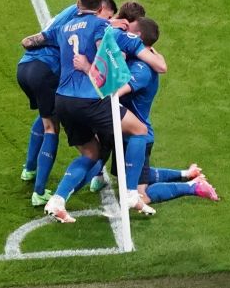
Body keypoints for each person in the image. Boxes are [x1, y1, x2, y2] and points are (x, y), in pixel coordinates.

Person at [21, 0, 166, 223]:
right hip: (89, 100)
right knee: (139, 130)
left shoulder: (65, 26)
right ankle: (130, 193)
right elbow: (158, 65)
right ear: (101, 8)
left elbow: (29, 41)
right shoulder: (106, 29)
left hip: (62, 102)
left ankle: (57, 200)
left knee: (90, 152)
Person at [86, 18, 218, 204]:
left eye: (129, 31)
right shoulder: (140, 57)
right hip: (127, 134)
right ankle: (187, 174)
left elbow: (116, 93)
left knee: (140, 196)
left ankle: (194, 187)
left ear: (137, 36)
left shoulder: (142, 70)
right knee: (127, 174)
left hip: (138, 137)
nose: (124, 33)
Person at [17, 0, 116, 207]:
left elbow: (27, 41)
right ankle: (40, 191)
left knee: (46, 116)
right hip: (47, 71)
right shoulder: (95, 23)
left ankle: (29, 169)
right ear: (101, 9)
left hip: (24, 67)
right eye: (109, 16)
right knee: (52, 127)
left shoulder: (68, 18)